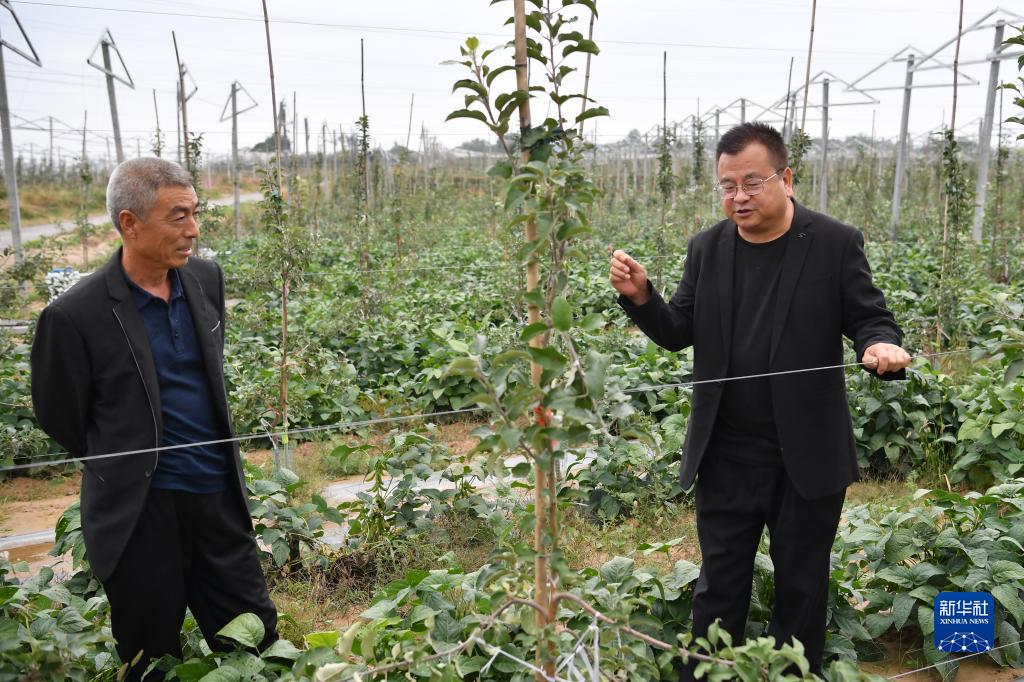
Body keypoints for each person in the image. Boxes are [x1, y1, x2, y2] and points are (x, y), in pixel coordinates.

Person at [609, 123, 910, 678]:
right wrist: (643, 299)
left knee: (801, 583)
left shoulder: (835, 242)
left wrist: (882, 346)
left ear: (786, 178)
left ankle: (793, 674)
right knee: (719, 582)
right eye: (727, 186)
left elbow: (870, 317)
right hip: (726, 451)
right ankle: (712, 672)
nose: (738, 197)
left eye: (751, 182)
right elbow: (680, 329)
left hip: (807, 454)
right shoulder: (707, 248)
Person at [31, 157, 277, 680]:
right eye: (177, 216)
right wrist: (130, 459)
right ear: (129, 223)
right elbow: (60, 416)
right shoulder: (75, 315)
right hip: (140, 516)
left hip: (217, 499)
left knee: (256, 640)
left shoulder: (205, 279)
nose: (193, 230)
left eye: (195, 213)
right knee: (150, 658)